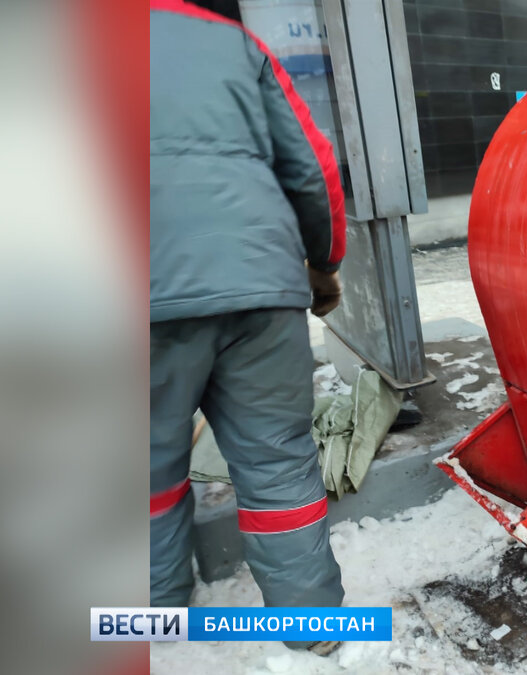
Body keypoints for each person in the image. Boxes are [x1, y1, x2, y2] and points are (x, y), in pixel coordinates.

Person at [150, 0, 347, 651]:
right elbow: (312, 166)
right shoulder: (234, 43)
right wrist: (322, 264)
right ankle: (312, 624)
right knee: (279, 459)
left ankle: (157, 610)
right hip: (263, 284)